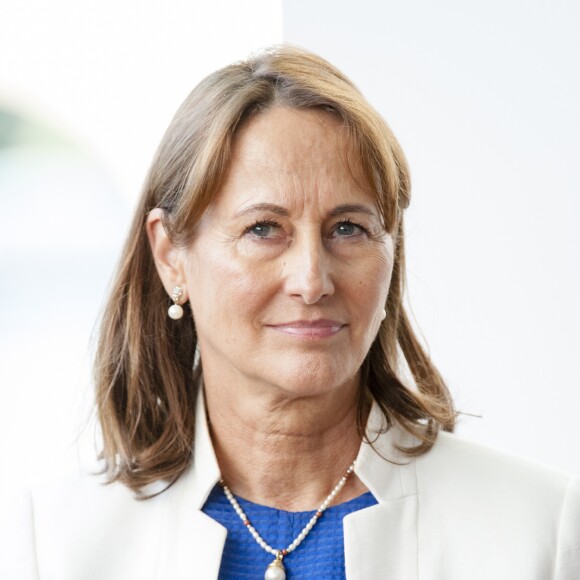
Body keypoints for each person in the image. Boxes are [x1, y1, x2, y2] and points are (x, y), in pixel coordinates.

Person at [1, 46, 579, 580]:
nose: (311, 280)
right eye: (263, 229)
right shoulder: (51, 546)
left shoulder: (541, 534)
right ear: (171, 255)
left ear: (392, 248)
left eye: (348, 228)